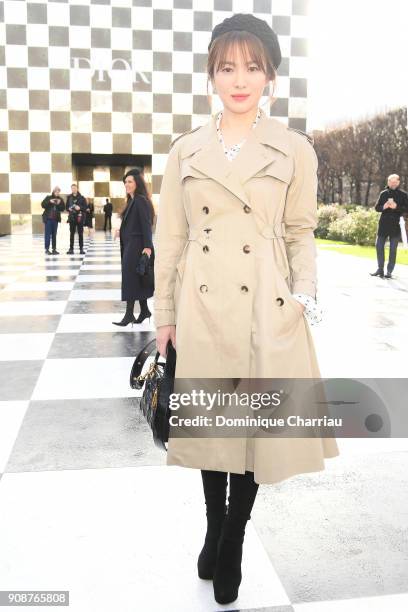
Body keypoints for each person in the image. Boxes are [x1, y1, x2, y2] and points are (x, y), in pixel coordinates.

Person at [153, 13, 339, 606]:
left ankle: (232, 536)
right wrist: (163, 314)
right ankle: (214, 523)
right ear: (211, 74)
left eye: (252, 67)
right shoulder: (185, 150)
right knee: (213, 427)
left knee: (255, 431)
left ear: (271, 77)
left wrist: (302, 293)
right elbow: (173, 238)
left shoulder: (293, 148)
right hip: (202, 304)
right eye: (228, 67)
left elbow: (301, 230)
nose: (240, 79)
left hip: (266, 305)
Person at [113, 168, 155, 326]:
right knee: (137, 278)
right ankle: (144, 311)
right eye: (125, 182)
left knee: (130, 278)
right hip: (131, 245)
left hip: (138, 247)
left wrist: (148, 247)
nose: (127, 184)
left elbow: (146, 224)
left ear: (137, 183)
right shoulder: (132, 201)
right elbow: (133, 224)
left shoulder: (140, 200)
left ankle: (129, 314)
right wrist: (121, 231)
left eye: (130, 181)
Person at [370, 173, 408, 279]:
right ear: (388, 182)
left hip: (395, 225)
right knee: (379, 246)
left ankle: (389, 271)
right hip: (383, 224)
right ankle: (380, 269)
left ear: (398, 182)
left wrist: (396, 207)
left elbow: (406, 209)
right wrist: (384, 206)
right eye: (391, 182)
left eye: (395, 182)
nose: (393, 184)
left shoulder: (403, 195)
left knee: (393, 249)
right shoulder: (383, 194)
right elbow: (377, 208)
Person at [41, 186, 65, 255]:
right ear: (53, 191)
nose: (57, 193)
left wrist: (59, 203)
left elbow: (63, 208)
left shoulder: (60, 199)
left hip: (55, 220)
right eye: (56, 191)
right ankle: (47, 249)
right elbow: (42, 205)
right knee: (47, 234)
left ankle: (54, 249)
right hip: (48, 219)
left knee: (54, 235)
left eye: (58, 192)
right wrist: (49, 201)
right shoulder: (48, 197)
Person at [65, 183, 88, 255]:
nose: (73, 189)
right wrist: (69, 209)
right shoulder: (69, 197)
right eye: (72, 188)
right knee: (71, 233)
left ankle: (81, 249)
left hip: (79, 217)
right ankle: (71, 249)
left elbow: (85, 208)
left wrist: (80, 208)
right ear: (71, 189)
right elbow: (66, 207)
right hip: (72, 218)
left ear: (77, 189)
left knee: (80, 233)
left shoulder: (82, 198)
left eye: (75, 188)